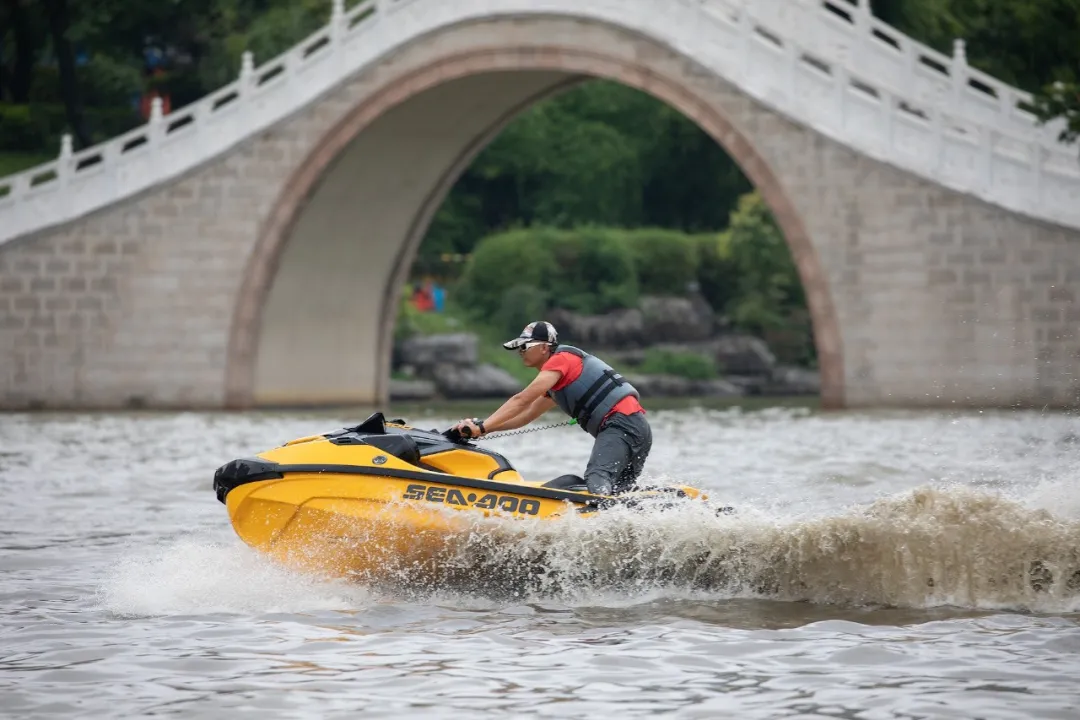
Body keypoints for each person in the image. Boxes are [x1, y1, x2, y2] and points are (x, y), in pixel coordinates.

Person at [452, 321, 652, 496]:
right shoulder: (557, 383)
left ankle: (599, 516)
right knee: (619, 491)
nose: (520, 351)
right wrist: (483, 428)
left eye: (525, 346)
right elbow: (526, 415)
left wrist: (483, 426)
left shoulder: (561, 359)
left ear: (544, 348)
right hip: (636, 428)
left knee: (597, 477)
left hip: (621, 424)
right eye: (519, 347)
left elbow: (521, 400)